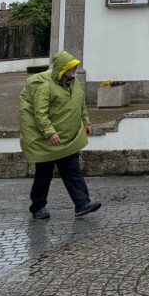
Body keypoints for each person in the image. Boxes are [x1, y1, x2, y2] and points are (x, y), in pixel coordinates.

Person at [19, 50, 101, 220]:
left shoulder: (75, 84)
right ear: (62, 69)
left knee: (73, 171)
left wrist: (86, 122)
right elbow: (40, 113)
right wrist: (50, 133)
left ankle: (82, 203)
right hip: (49, 141)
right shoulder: (46, 88)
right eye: (72, 67)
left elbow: (81, 104)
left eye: (75, 67)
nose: (75, 70)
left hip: (68, 139)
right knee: (43, 175)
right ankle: (37, 207)